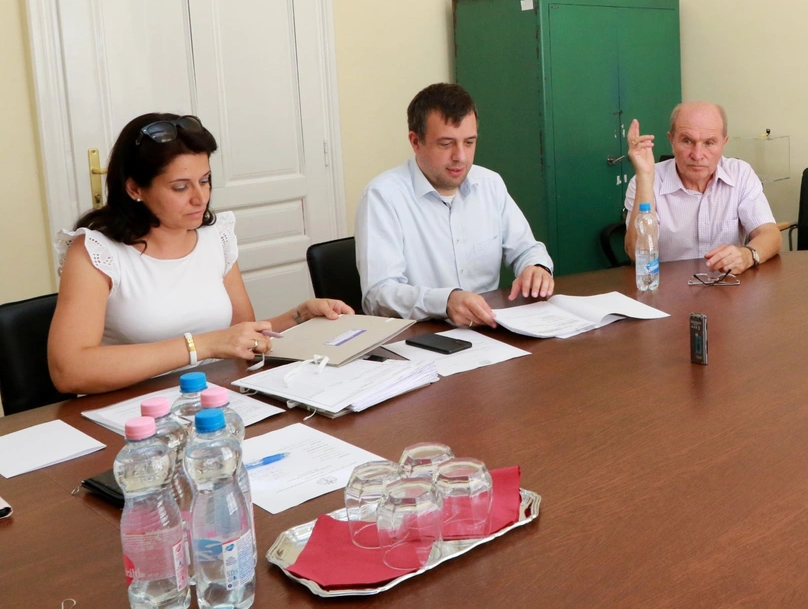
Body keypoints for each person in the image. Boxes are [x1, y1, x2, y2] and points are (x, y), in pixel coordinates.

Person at [48, 113, 352, 395]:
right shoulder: (96, 252)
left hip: (213, 395)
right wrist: (201, 346)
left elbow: (239, 336)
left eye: (205, 181)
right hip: (133, 410)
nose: (200, 198)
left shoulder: (215, 236)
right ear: (134, 189)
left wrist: (298, 317)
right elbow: (69, 370)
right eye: (180, 187)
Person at [355, 83, 554, 329]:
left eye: (469, 142)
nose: (460, 156)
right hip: (422, 335)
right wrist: (445, 301)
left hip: (488, 329)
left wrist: (536, 267)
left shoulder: (490, 184)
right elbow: (378, 294)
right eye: (446, 144)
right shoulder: (383, 197)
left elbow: (527, 249)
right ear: (415, 142)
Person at [623, 101, 781, 273]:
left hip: (727, 284)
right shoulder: (644, 181)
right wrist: (645, 178)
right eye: (687, 141)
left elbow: (770, 235)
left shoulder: (740, 174)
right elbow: (636, 253)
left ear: (724, 143)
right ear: (671, 140)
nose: (697, 155)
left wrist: (747, 255)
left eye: (709, 143)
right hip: (668, 285)